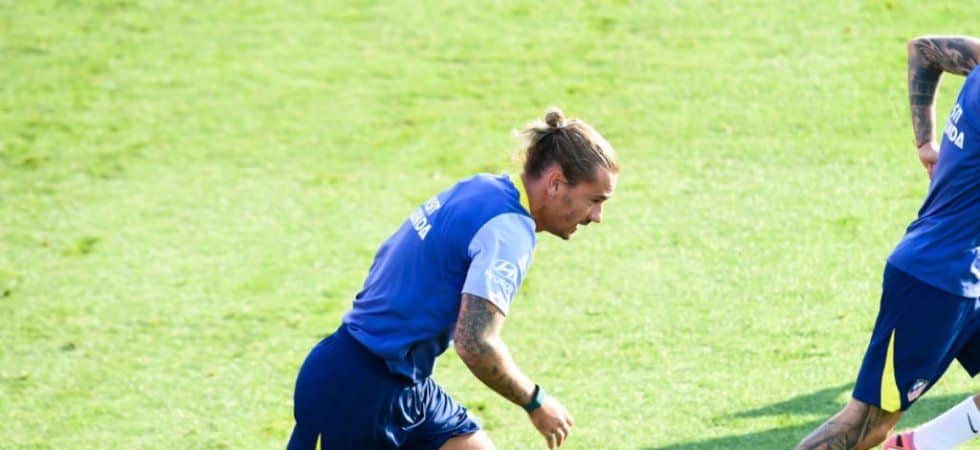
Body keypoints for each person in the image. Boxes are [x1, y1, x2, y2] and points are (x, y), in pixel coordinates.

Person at [287, 108, 619, 450]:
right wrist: (535, 402)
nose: (597, 216)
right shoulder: (509, 231)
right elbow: (475, 343)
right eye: (595, 200)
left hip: (401, 381)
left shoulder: (483, 188)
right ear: (555, 183)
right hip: (358, 393)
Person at [795, 35, 980, 450]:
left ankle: (914, 446)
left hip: (961, 272)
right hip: (935, 280)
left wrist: (925, 142)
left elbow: (924, 50)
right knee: (863, 426)